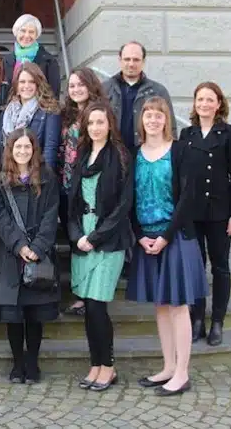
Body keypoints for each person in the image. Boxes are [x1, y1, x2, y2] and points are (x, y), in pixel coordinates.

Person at [126, 97, 208, 397]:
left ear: (167, 120)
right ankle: (168, 366)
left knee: (178, 306)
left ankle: (183, 373)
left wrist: (166, 237)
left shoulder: (180, 151)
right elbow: (129, 199)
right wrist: (138, 235)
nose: (153, 120)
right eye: (148, 115)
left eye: (159, 115)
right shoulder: (135, 155)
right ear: (142, 120)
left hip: (174, 238)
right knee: (161, 306)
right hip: (146, 238)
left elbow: (188, 198)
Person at [68, 102, 133, 392]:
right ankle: (95, 364)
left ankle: (108, 366)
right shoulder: (82, 155)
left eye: (100, 122)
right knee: (89, 309)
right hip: (82, 237)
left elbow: (123, 207)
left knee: (97, 307)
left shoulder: (119, 156)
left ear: (110, 125)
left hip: (108, 241)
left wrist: (95, 237)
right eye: (91, 122)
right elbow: (70, 202)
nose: (95, 127)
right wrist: (77, 235)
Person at [0, 128, 60, 384]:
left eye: (27, 147)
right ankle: (17, 362)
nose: (22, 151)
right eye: (17, 147)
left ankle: (33, 362)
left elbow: (51, 215)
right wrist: (19, 246)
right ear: (10, 150)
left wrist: (38, 247)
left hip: (38, 255)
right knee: (14, 315)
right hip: (10, 255)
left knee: (34, 315)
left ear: (34, 150)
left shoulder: (48, 178)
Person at [180, 82, 231, 346]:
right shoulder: (187, 134)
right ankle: (197, 320)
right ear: (195, 104)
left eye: (210, 100)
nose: (204, 104)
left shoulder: (229, 133)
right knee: (196, 268)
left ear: (219, 104)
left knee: (220, 267)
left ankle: (217, 321)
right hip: (192, 212)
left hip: (220, 211)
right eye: (200, 100)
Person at [58, 67, 109, 316]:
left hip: (92, 182)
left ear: (90, 85)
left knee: (92, 235)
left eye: (81, 85)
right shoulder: (66, 114)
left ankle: (94, 292)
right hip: (68, 184)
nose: (76, 89)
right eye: (72, 86)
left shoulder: (100, 113)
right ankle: (79, 293)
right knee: (74, 238)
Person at [103, 41, 176, 153]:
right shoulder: (105, 89)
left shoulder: (158, 91)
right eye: (127, 59)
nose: (131, 64)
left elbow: (171, 129)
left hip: (146, 156)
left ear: (143, 62)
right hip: (111, 156)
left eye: (136, 59)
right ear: (120, 60)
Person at [0, 63, 61, 170]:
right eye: (22, 82)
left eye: (32, 82)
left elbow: (50, 149)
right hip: (11, 174)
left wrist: (46, 179)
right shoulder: (5, 113)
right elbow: (2, 151)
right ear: (16, 86)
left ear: (38, 85)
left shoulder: (49, 111)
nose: (26, 86)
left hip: (37, 175)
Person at [3, 14, 61, 98]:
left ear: (36, 35)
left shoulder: (49, 61)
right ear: (16, 32)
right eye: (23, 31)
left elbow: (54, 93)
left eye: (31, 32)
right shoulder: (7, 61)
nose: (27, 35)